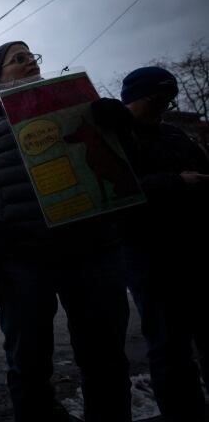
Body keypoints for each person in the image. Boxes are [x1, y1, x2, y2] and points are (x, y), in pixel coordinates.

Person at [0, 41, 132, 422]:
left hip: (93, 250)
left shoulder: (73, 109)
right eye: (17, 59)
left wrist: (119, 127)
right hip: (22, 259)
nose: (30, 62)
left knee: (106, 358)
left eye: (32, 56)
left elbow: (119, 167)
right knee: (29, 363)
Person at [93, 66, 209, 422]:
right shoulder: (114, 137)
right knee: (168, 345)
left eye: (167, 100)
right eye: (154, 99)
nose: (162, 106)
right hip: (148, 252)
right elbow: (113, 191)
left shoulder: (174, 134)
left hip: (195, 246)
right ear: (133, 99)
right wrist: (176, 182)